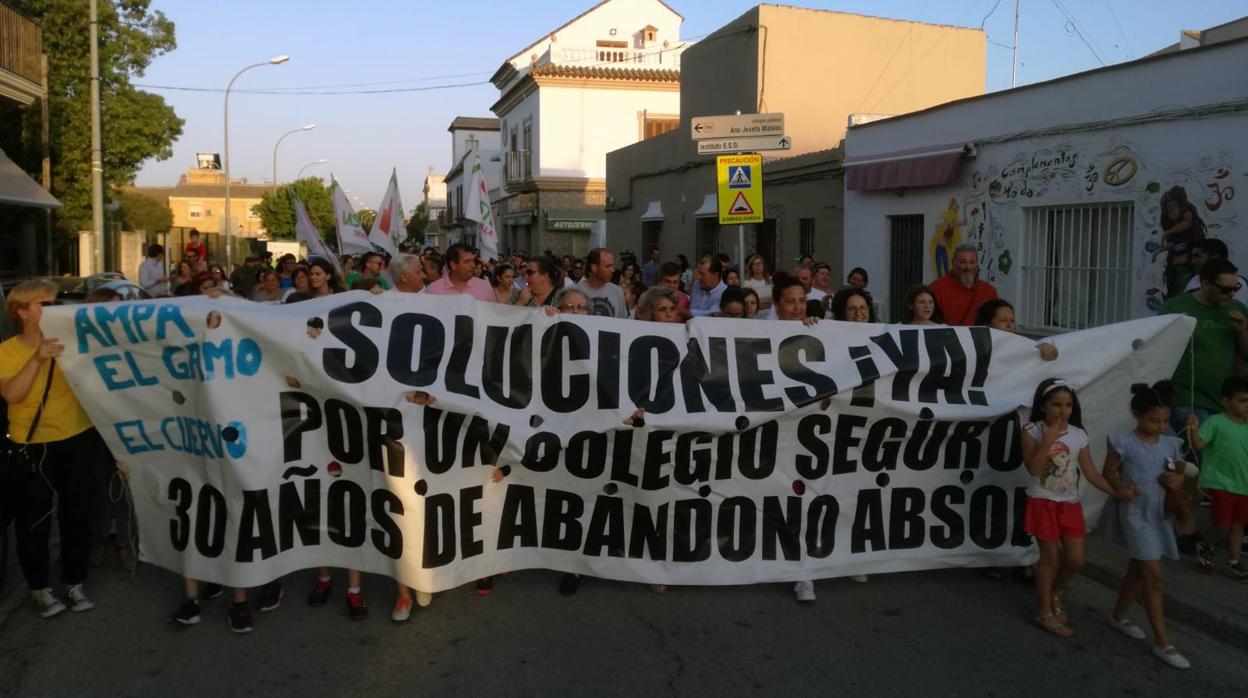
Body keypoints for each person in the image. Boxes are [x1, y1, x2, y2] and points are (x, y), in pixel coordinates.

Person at [0, 281, 97, 618]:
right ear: (22, 312)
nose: (55, 308)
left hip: (77, 437)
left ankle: (74, 580)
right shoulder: (7, 351)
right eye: (46, 304)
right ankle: (39, 587)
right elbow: (13, 395)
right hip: (33, 445)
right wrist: (37, 359)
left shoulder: (75, 342)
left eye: (56, 302)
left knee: (77, 514)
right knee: (34, 520)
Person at [1021, 378, 1130, 637]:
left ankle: (1055, 591)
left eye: (1068, 405)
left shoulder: (1078, 434)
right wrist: (1048, 440)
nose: (1062, 410)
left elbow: (1091, 472)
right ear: (1043, 406)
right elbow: (1033, 468)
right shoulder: (1031, 430)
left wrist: (1116, 491)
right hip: (1042, 501)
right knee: (1049, 558)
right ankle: (1044, 611)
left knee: (1076, 559)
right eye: (1056, 404)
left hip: (1069, 504)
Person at [1102, 382, 1197, 669]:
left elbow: (1184, 472)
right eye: (1153, 420)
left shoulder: (1170, 443)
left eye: (1164, 421)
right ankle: (1164, 642)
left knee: (1139, 569)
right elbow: (1109, 472)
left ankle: (1118, 616)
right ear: (1138, 415)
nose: (1159, 426)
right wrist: (1120, 486)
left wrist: (1180, 480)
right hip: (1135, 512)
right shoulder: (1124, 442)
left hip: (1159, 513)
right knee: (1153, 576)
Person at [1160, 259, 1248, 553]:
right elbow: (1156, 346)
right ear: (1205, 283)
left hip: (1224, 401)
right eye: (1224, 289)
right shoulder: (1176, 307)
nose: (1230, 294)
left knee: (1215, 466)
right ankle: (1187, 529)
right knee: (1194, 466)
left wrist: (1241, 331)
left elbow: (1246, 354)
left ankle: (1213, 524)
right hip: (1188, 398)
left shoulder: (1236, 311)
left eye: (1235, 288)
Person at [1189, 376, 1248, 581]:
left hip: (1244, 484)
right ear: (1226, 401)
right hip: (1219, 482)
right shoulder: (1215, 422)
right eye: (1242, 400)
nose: (1247, 405)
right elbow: (1199, 444)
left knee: (1238, 525)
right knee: (1222, 523)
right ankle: (1207, 544)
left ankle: (1233, 562)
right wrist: (1194, 429)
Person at [1154, 186, 1205, 297]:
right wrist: (1158, 251)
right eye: (1168, 207)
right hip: (1174, 272)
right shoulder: (1176, 233)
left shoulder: (1188, 225)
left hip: (1185, 272)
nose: (1170, 210)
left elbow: (1187, 222)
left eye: (1173, 206)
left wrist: (1167, 233)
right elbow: (1173, 245)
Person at [929, 244, 998, 326]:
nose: (967, 267)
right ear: (953, 263)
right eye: (962, 262)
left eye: (971, 262)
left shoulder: (989, 291)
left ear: (977, 266)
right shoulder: (937, 288)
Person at [975, 299, 1058, 361]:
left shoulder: (1019, 343)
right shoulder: (972, 347)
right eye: (1003, 320)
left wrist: (1046, 349)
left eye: (1012, 321)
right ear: (986, 324)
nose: (1009, 325)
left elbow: (1036, 349)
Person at [1183, 238, 1248, 305]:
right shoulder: (1194, 280)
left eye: (1198, 256)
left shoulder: (1238, 283)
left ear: (1214, 257)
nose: (1193, 262)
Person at [426, 244, 495, 301]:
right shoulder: (432, 291)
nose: (473, 266)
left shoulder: (485, 288)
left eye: (473, 261)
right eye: (467, 261)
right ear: (453, 265)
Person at [579, 249, 629, 318]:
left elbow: (622, 323)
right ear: (594, 268)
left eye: (612, 266)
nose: (613, 270)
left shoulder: (618, 291)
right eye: (608, 266)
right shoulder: (576, 291)